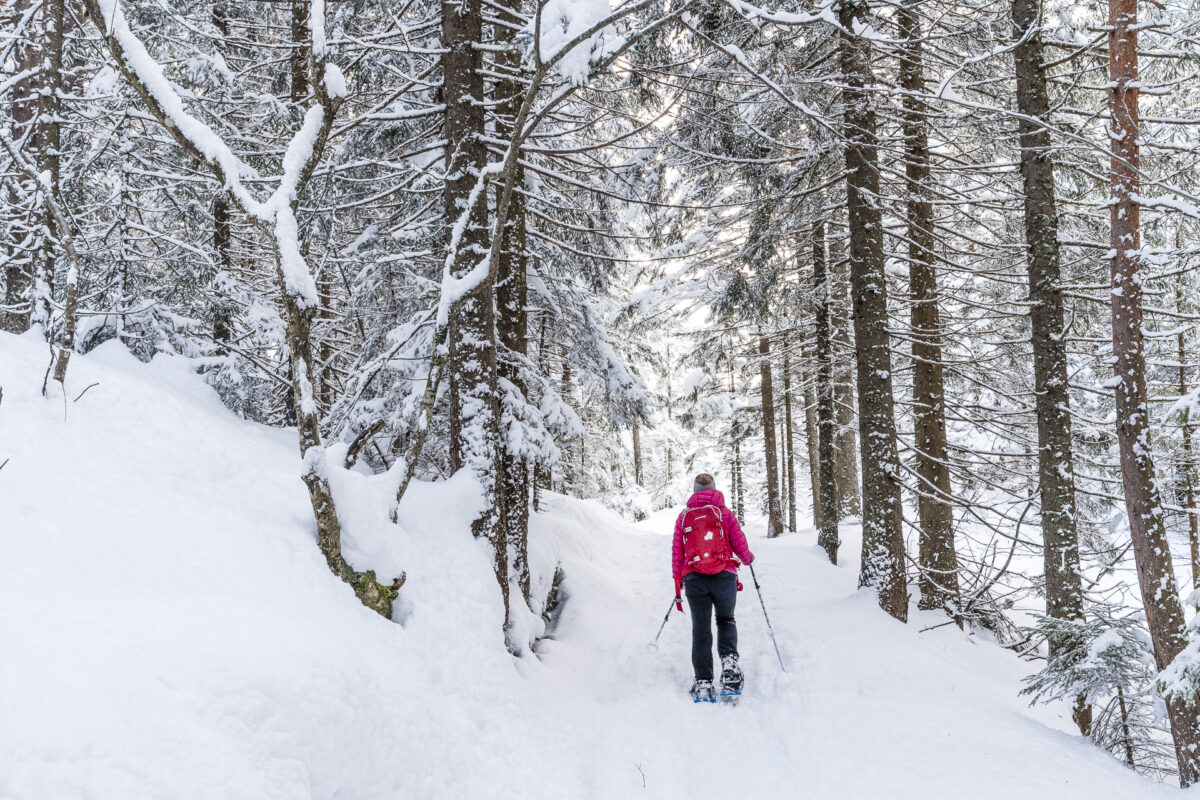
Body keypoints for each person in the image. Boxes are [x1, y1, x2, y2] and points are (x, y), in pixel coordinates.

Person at [672, 473, 755, 701]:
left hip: (694, 579)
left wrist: (677, 580)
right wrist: (748, 558)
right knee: (726, 619)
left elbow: (677, 551)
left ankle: (703, 683)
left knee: (701, 628)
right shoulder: (725, 514)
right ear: (714, 489)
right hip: (724, 576)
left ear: (695, 490)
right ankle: (729, 667)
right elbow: (740, 543)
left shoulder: (684, 516)